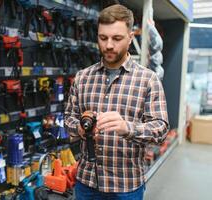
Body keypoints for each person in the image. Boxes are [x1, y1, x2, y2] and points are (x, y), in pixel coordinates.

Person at [64, 4, 169, 200]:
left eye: (117, 38)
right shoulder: (82, 77)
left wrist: (126, 127)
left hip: (126, 186)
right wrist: (79, 128)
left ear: (130, 37)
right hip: (87, 183)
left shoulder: (148, 80)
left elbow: (161, 130)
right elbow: (69, 118)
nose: (109, 45)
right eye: (103, 38)